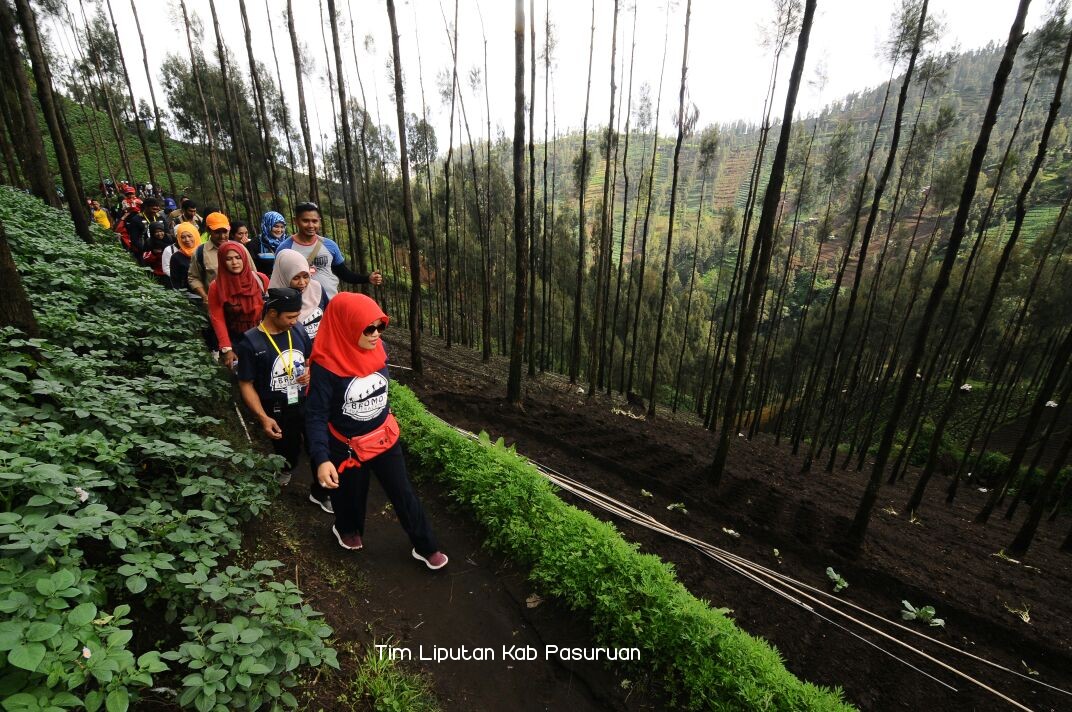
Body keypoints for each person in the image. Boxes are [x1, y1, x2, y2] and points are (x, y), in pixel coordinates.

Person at [305, 293, 447, 569]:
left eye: (380, 326)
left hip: (382, 437)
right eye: (368, 328)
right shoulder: (326, 365)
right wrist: (322, 458)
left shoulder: (377, 350)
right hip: (346, 445)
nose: (376, 334)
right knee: (350, 494)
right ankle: (347, 529)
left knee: (402, 491)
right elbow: (316, 415)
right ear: (345, 327)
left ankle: (425, 545)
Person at [235, 288, 330, 506]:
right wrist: (263, 417)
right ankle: (286, 468)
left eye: (296, 316)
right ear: (272, 313)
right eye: (290, 317)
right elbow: (246, 384)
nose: (295, 321)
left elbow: (308, 359)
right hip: (276, 409)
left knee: (318, 445)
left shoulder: (297, 330)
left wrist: (308, 372)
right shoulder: (250, 343)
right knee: (287, 447)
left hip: (305, 401)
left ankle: (322, 491)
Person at [274, 202, 383, 299]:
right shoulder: (285, 249)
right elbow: (278, 281)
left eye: (314, 221)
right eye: (305, 221)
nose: (311, 225)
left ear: (319, 222)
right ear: (296, 221)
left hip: (330, 304)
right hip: (301, 309)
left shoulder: (329, 245)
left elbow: (344, 274)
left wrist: (368, 278)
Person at [208, 242, 269, 368]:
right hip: (236, 340)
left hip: (264, 336)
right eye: (229, 259)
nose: (234, 262)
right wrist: (227, 348)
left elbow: (272, 309)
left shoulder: (261, 279)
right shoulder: (216, 287)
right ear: (222, 261)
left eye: (238, 257)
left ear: (244, 258)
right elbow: (217, 319)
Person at [188, 212, 256, 300]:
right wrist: (205, 296)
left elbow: (253, 273)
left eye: (225, 232)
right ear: (208, 230)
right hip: (216, 302)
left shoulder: (240, 248)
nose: (222, 236)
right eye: (217, 232)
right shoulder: (200, 252)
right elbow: (194, 277)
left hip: (243, 301)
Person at [268, 249, 329, 340]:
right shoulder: (275, 299)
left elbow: (328, 313)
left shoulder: (316, 288)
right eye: (296, 278)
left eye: (306, 276)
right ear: (285, 275)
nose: (302, 282)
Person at [164, 222, 200, 293]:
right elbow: (175, 281)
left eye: (190, 236)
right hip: (189, 296)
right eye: (183, 237)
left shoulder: (203, 252)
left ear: (195, 235)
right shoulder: (176, 257)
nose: (187, 239)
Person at [256, 210, 287, 274]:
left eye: (282, 227)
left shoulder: (287, 241)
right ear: (267, 225)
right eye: (276, 226)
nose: (279, 230)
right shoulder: (257, 243)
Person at [141, 221, 170, 286]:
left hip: (170, 272)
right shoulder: (149, 242)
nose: (159, 234)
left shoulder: (169, 239)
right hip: (157, 273)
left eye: (161, 231)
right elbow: (145, 259)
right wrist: (153, 253)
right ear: (152, 233)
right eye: (156, 232)